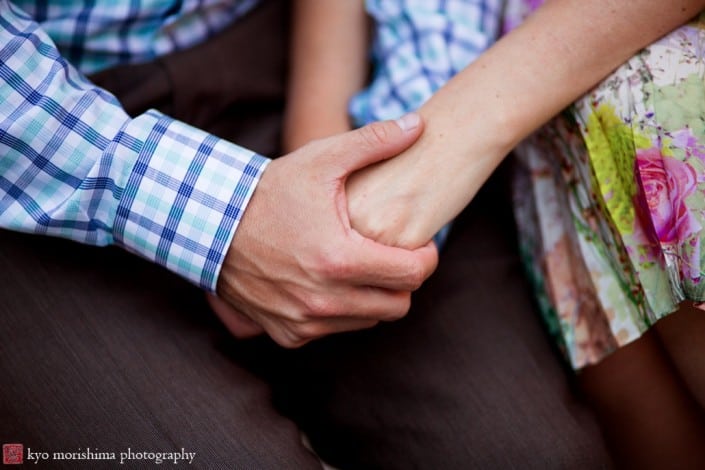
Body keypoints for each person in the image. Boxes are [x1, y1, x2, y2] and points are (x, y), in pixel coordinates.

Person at [0, 1, 613, 468]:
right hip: (39, 145)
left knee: (526, 450)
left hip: (295, 50)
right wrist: (225, 221)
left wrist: (386, 169)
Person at [284, 0, 705, 467]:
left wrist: (440, 151)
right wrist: (321, 210)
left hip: (656, 113)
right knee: (638, 420)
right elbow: (314, 142)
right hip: (553, 176)